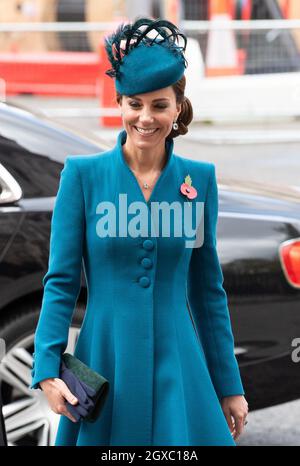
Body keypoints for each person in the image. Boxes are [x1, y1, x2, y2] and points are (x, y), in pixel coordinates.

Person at [30, 17, 248, 446]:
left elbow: (207, 291)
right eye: (134, 104)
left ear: (178, 107)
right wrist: (46, 370)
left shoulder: (199, 181)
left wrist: (229, 385)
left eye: (159, 105)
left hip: (179, 364)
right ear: (120, 103)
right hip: (104, 358)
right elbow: (60, 283)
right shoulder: (83, 177)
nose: (145, 118)